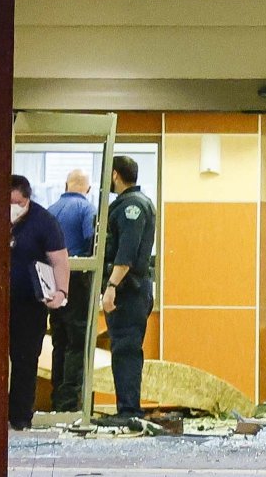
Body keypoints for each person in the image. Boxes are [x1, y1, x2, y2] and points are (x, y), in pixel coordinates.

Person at [9, 175, 70, 431]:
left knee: (25, 359)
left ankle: (20, 417)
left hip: (29, 303)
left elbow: (59, 261)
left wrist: (61, 292)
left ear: (27, 199)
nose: (12, 207)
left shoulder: (44, 222)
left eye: (17, 202)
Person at [100, 155, 156, 421]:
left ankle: (129, 411)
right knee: (125, 349)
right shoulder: (136, 202)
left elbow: (126, 252)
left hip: (128, 290)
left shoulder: (130, 206)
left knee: (125, 349)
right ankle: (128, 408)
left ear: (114, 175)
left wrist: (111, 285)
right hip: (133, 288)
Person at [46, 168, 96, 412]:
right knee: (77, 343)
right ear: (87, 189)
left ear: (66, 186)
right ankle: (69, 404)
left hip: (54, 282)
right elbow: (92, 242)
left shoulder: (50, 211)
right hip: (77, 281)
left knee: (59, 341)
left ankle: (57, 398)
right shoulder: (87, 210)